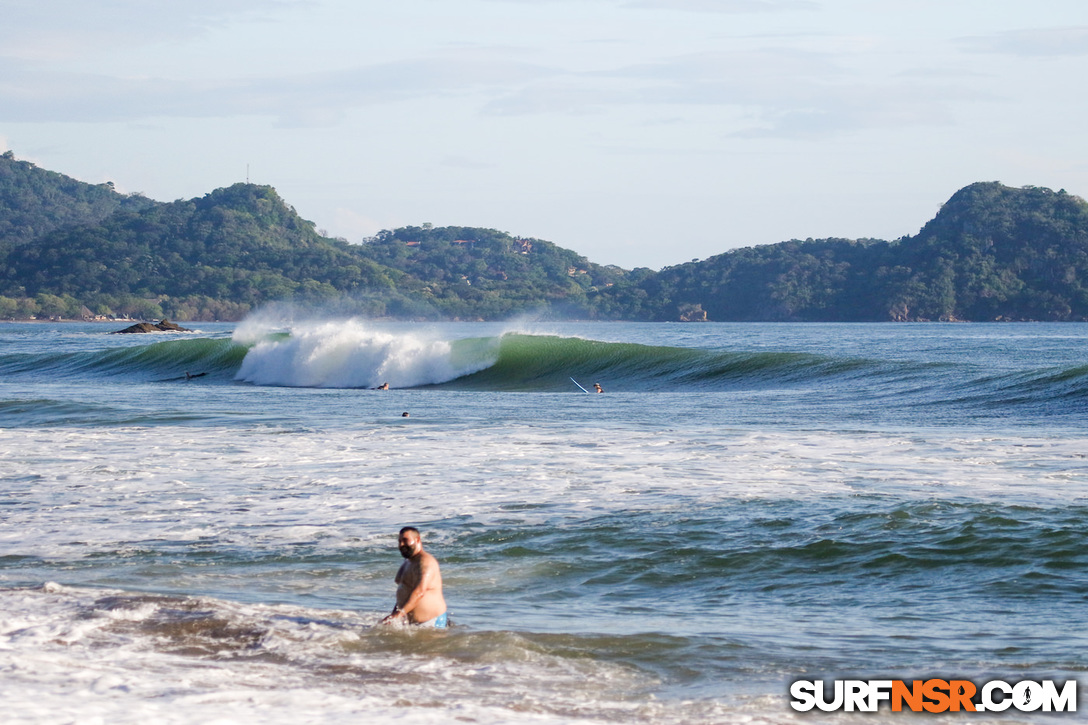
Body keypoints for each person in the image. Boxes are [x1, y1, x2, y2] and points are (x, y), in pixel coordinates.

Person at [380, 526, 448, 628]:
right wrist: (394, 614)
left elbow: (419, 592)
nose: (401, 544)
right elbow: (404, 592)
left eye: (405, 540)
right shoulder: (407, 562)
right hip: (412, 624)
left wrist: (399, 615)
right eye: (399, 541)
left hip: (431, 622)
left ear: (417, 540)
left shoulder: (426, 563)